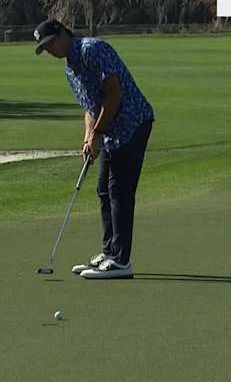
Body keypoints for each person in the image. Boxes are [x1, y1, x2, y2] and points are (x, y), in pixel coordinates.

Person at [34, 18, 154, 279]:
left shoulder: (91, 50)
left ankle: (121, 261)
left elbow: (113, 94)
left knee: (119, 190)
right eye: (46, 48)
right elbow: (90, 106)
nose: (51, 51)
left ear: (64, 33)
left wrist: (98, 132)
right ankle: (109, 252)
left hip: (133, 123)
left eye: (52, 43)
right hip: (110, 129)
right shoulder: (70, 69)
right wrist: (89, 137)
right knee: (104, 188)